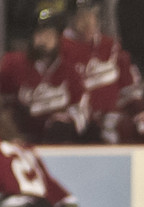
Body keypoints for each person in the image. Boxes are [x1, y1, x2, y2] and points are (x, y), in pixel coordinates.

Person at [62, 0, 144, 144]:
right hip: (81, 124)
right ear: (72, 19)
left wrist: (138, 110)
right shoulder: (62, 49)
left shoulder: (110, 45)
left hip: (112, 119)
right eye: (81, 17)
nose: (88, 23)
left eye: (91, 16)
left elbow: (128, 86)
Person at [0, 3, 88, 144]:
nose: (44, 40)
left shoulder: (70, 70)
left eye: (49, 35)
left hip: (59, 144)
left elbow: (81, 107)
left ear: (58, 38)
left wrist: (69, 121)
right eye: (39, 34)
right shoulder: (14, 65)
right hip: (23, 142)